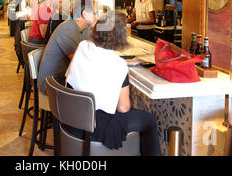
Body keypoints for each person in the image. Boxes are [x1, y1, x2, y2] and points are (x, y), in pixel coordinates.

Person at [65, 12, 161, 155]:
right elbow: (123, 107)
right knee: (150, 121)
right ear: (121, 37)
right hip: (95, 127)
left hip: (72, 118)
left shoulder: (82, 46)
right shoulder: (118, 64)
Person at [37, 0, 97, 94]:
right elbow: (79, 63)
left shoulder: (84, 29)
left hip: (64, 77)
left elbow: (93, 52)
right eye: (95, 13)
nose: (97, 17)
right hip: (51, 83)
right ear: (85, 14)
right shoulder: (68, 29)